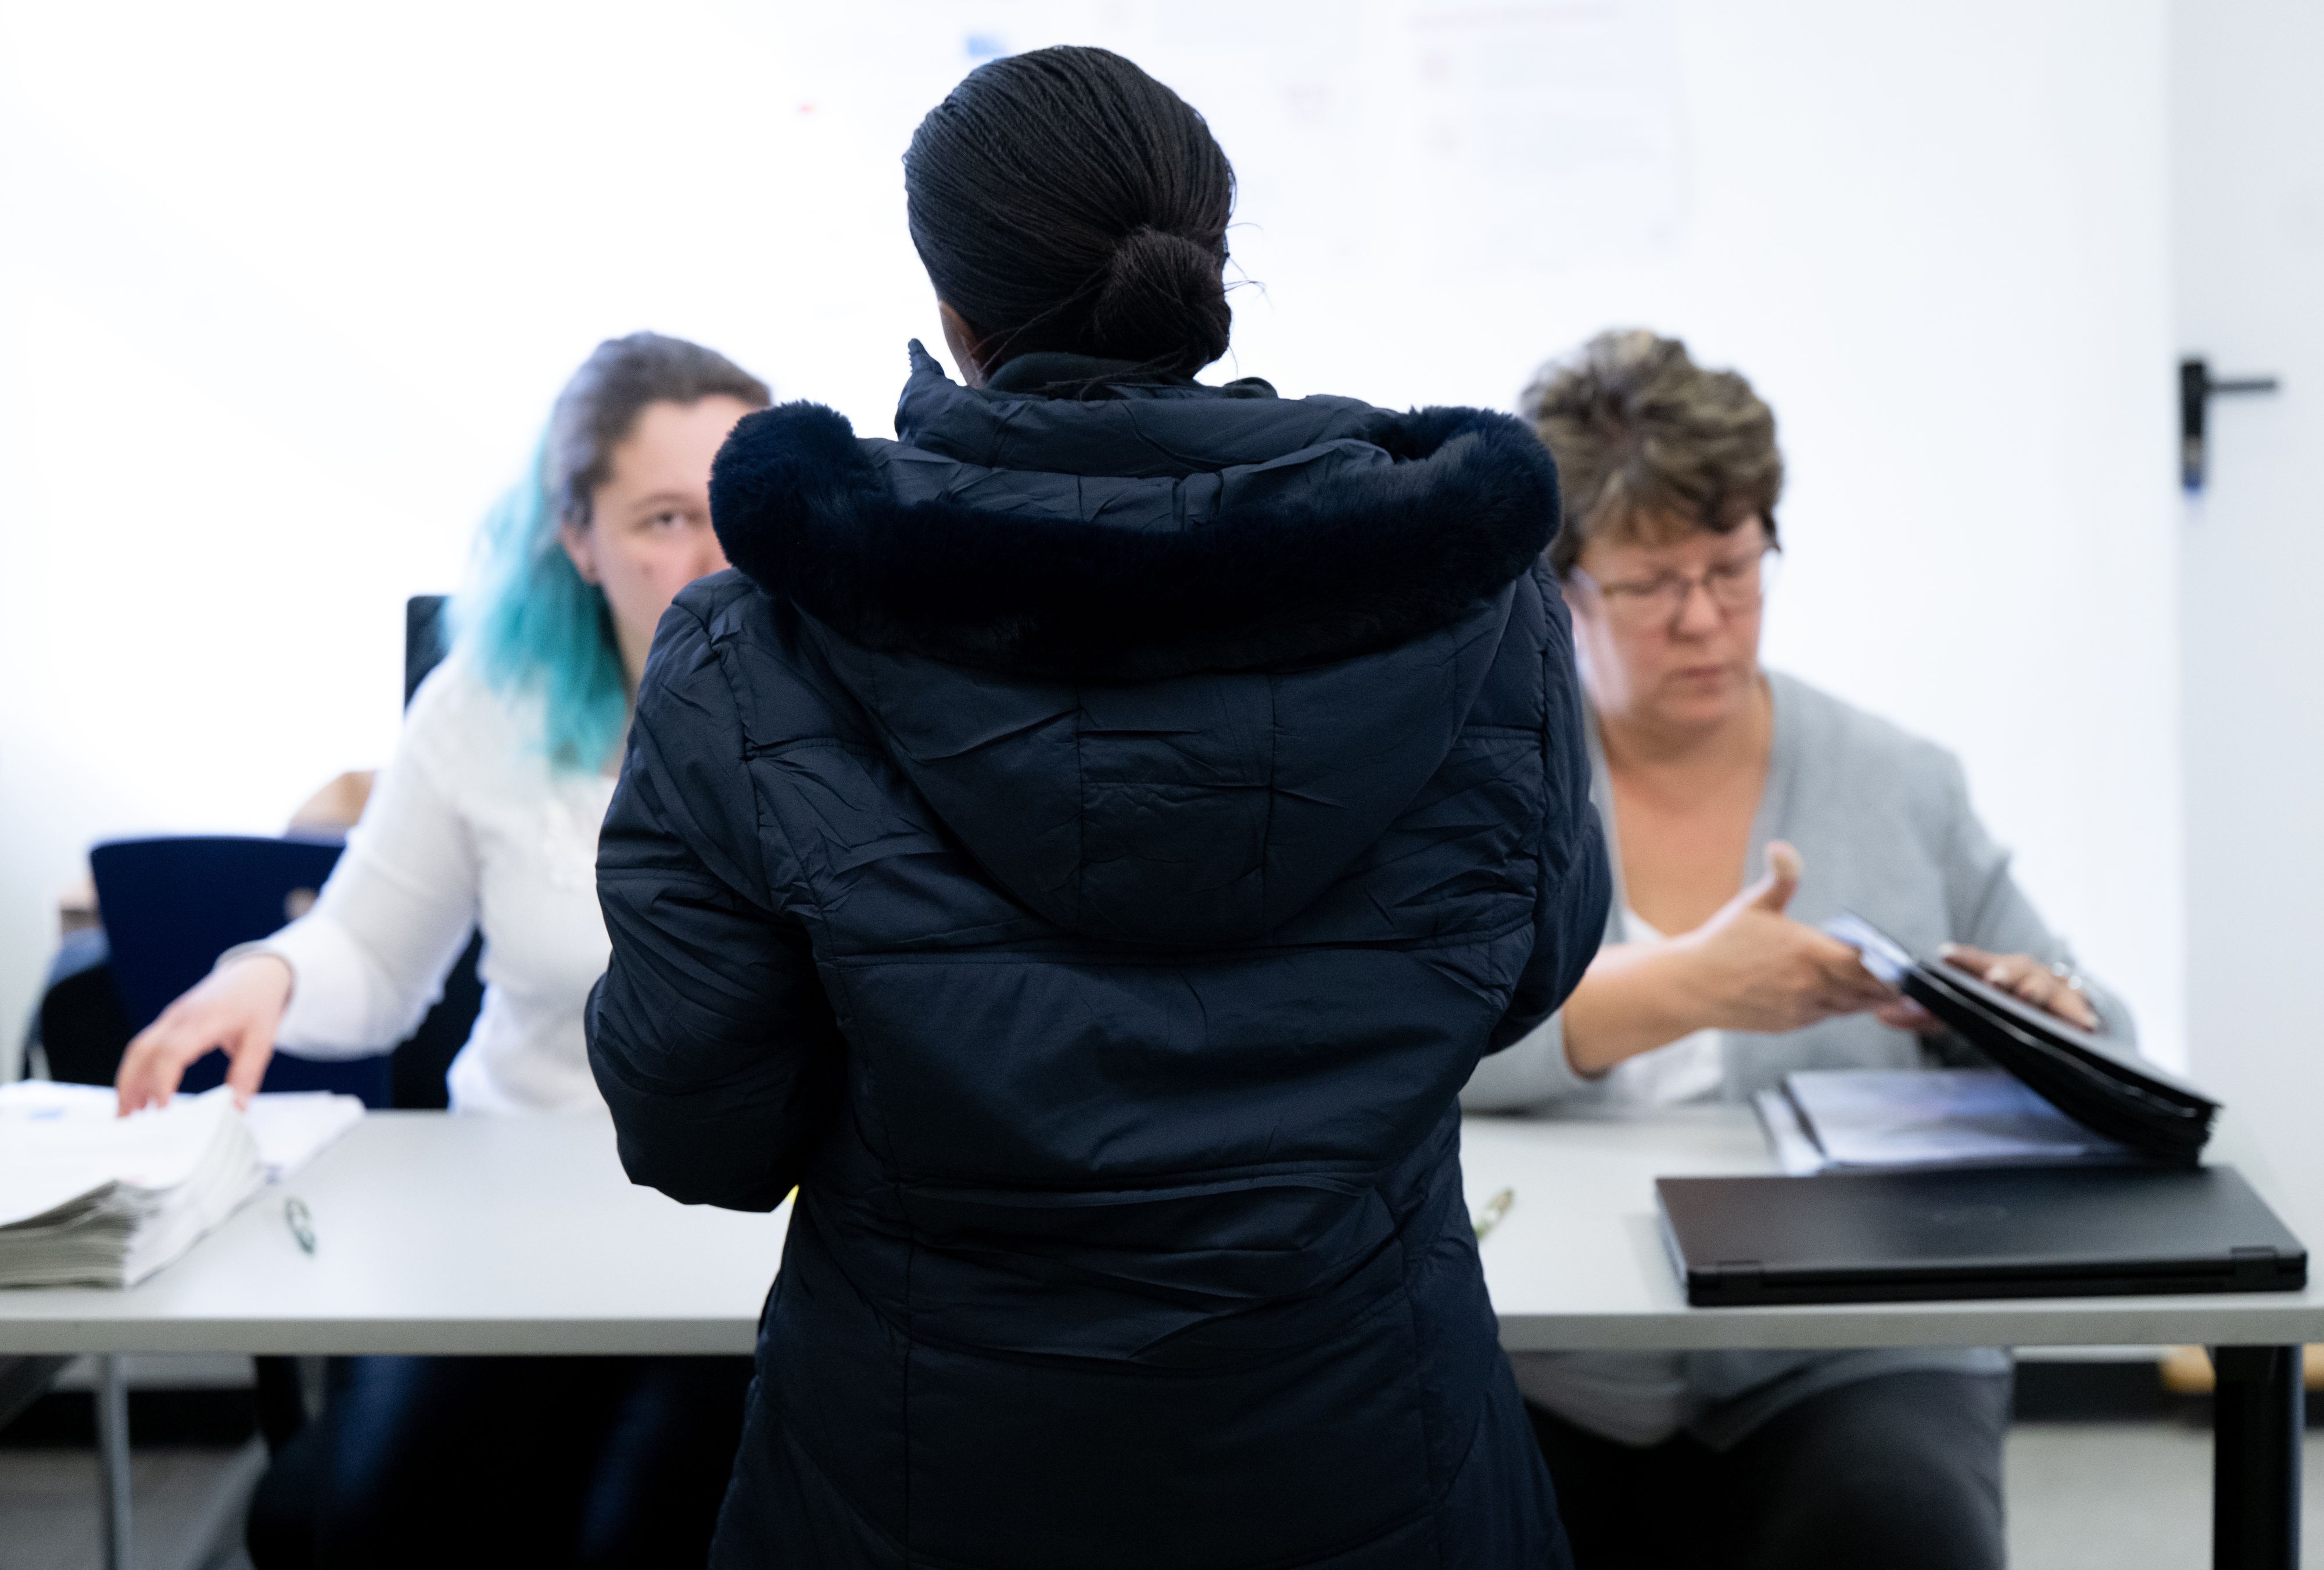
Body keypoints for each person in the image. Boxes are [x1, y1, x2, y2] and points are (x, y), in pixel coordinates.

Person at [584, 45, 1611, 1569]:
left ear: (952, 304)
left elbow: (703, 1128)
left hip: (921, 1485)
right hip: (1367, 1463)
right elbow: (1521, 979)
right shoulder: (1469, 604)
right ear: (1207, 273)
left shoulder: (761, 647)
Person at [1462, 328, 2133, 1570]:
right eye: (1655, 584)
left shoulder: (1895, 782)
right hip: (1547, 1354)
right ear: (1557, 587)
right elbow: (1404, 1054)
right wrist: (1672, 992)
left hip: (1841, 1345)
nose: (1705, 619)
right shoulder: (1489, 788)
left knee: (1891, 1526)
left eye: (1735, 566)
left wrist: (2034, 1021)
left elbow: (2110, 1053)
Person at [114, 332, 770, 1569]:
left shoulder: (852, 706)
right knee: (380, 1526)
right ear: (578, 538)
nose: (712, 555)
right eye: (664, 517)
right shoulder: (488, 706)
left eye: (737, 508)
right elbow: (372, 953)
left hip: (744, 1247)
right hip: (510, 1226)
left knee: (644, 1533)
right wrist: (270, 971)